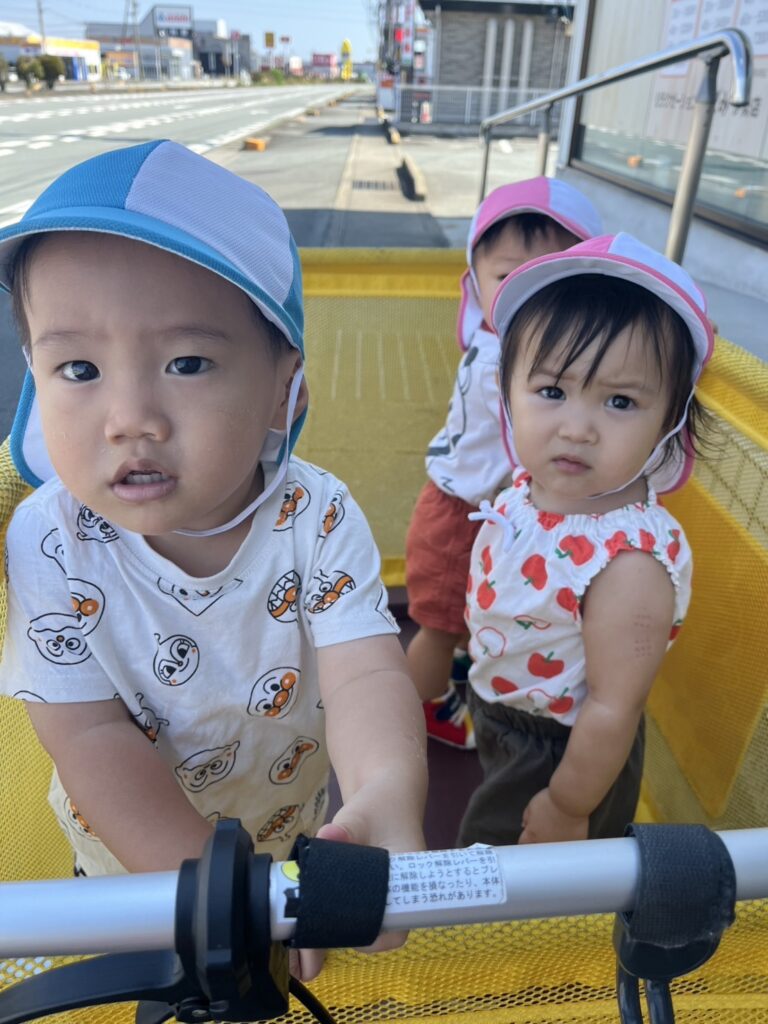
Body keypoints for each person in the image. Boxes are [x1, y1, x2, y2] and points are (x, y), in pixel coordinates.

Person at [0, 140, 427, 974]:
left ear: (284, 389)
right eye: (78, 368)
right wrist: (221, 901)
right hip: (133, 876)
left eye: (186, 363)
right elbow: (89, 736)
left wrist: (387, 790)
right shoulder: (51, 538)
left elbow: (365, 673)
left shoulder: (316, 514)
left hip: (292, 844)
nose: (131, 417)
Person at [460, 233, 714, 846]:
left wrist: (567, 805)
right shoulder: (531, 488)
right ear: (508, 391)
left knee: (499, 877)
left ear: (670, 420)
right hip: (508, 717)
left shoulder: (627, 563)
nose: (577, 428)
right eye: (551, 391)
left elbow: (613, 708)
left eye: (620, 401)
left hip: (565, 757)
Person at [405, 178, 602, 750]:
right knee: (438, 626)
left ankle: (453, 668)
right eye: (509, 278)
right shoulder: (502, 359)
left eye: (556, 278)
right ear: (476, 285)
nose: (532, 296)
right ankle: (421, 706)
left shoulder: (523, 350)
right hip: (459, 518)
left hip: (486, 514)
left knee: (468, 614)